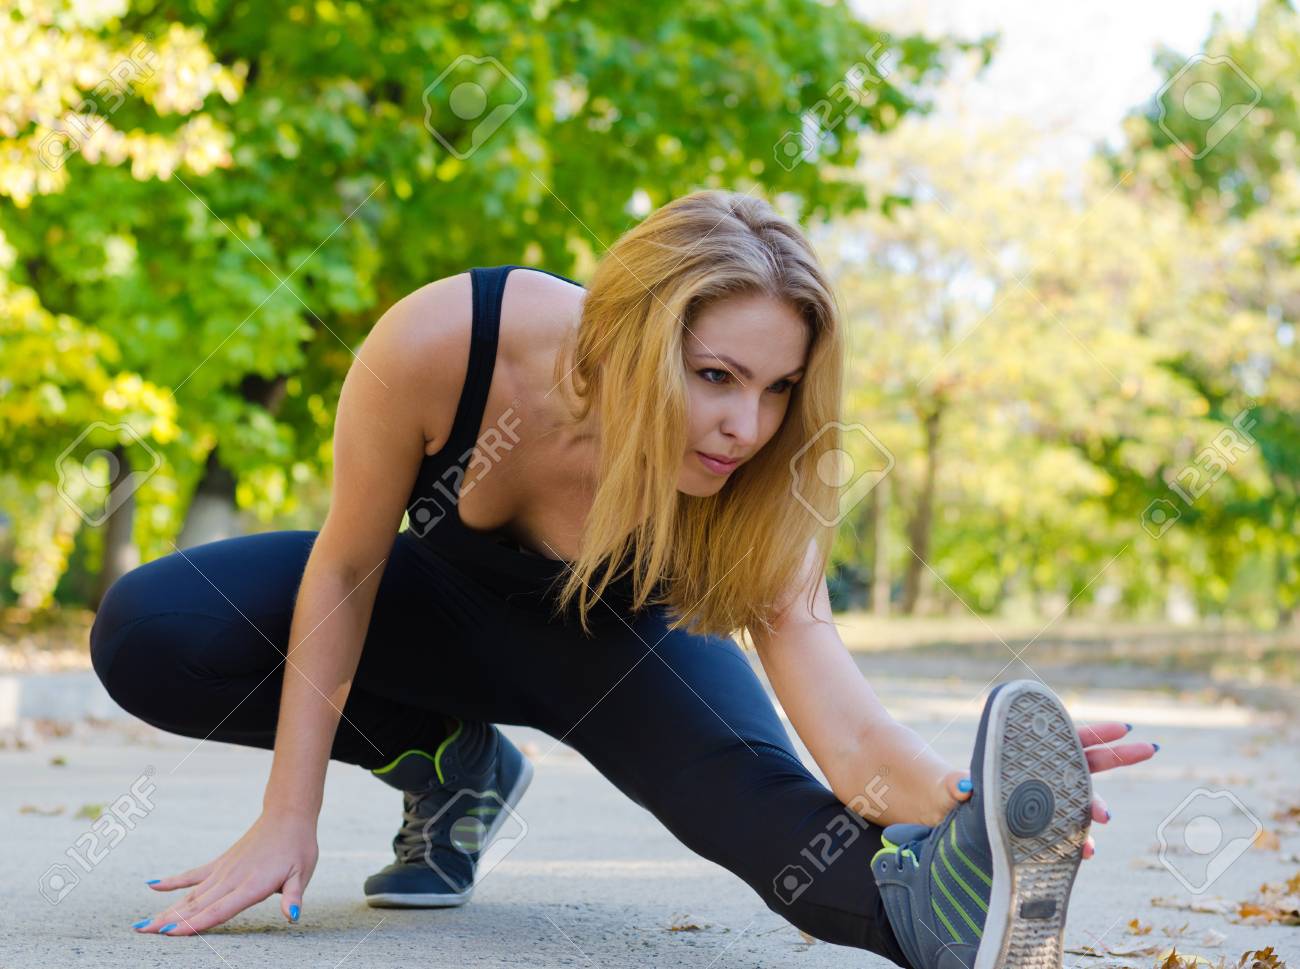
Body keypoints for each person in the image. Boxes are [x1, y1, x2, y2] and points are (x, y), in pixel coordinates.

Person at [89, 189, 1156, 967]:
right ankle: (447, 764)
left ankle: (950, 912)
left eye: (779, 387)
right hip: (426, 610)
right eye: (714, 377)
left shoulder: (771, 469)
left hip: (615, 654)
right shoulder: (449, 343)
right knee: (152, 629)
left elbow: (849, 737)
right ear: (631, 335)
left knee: (783, 830)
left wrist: (976, 807)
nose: (747, 425)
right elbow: (350, 564)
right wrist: (291, 809)